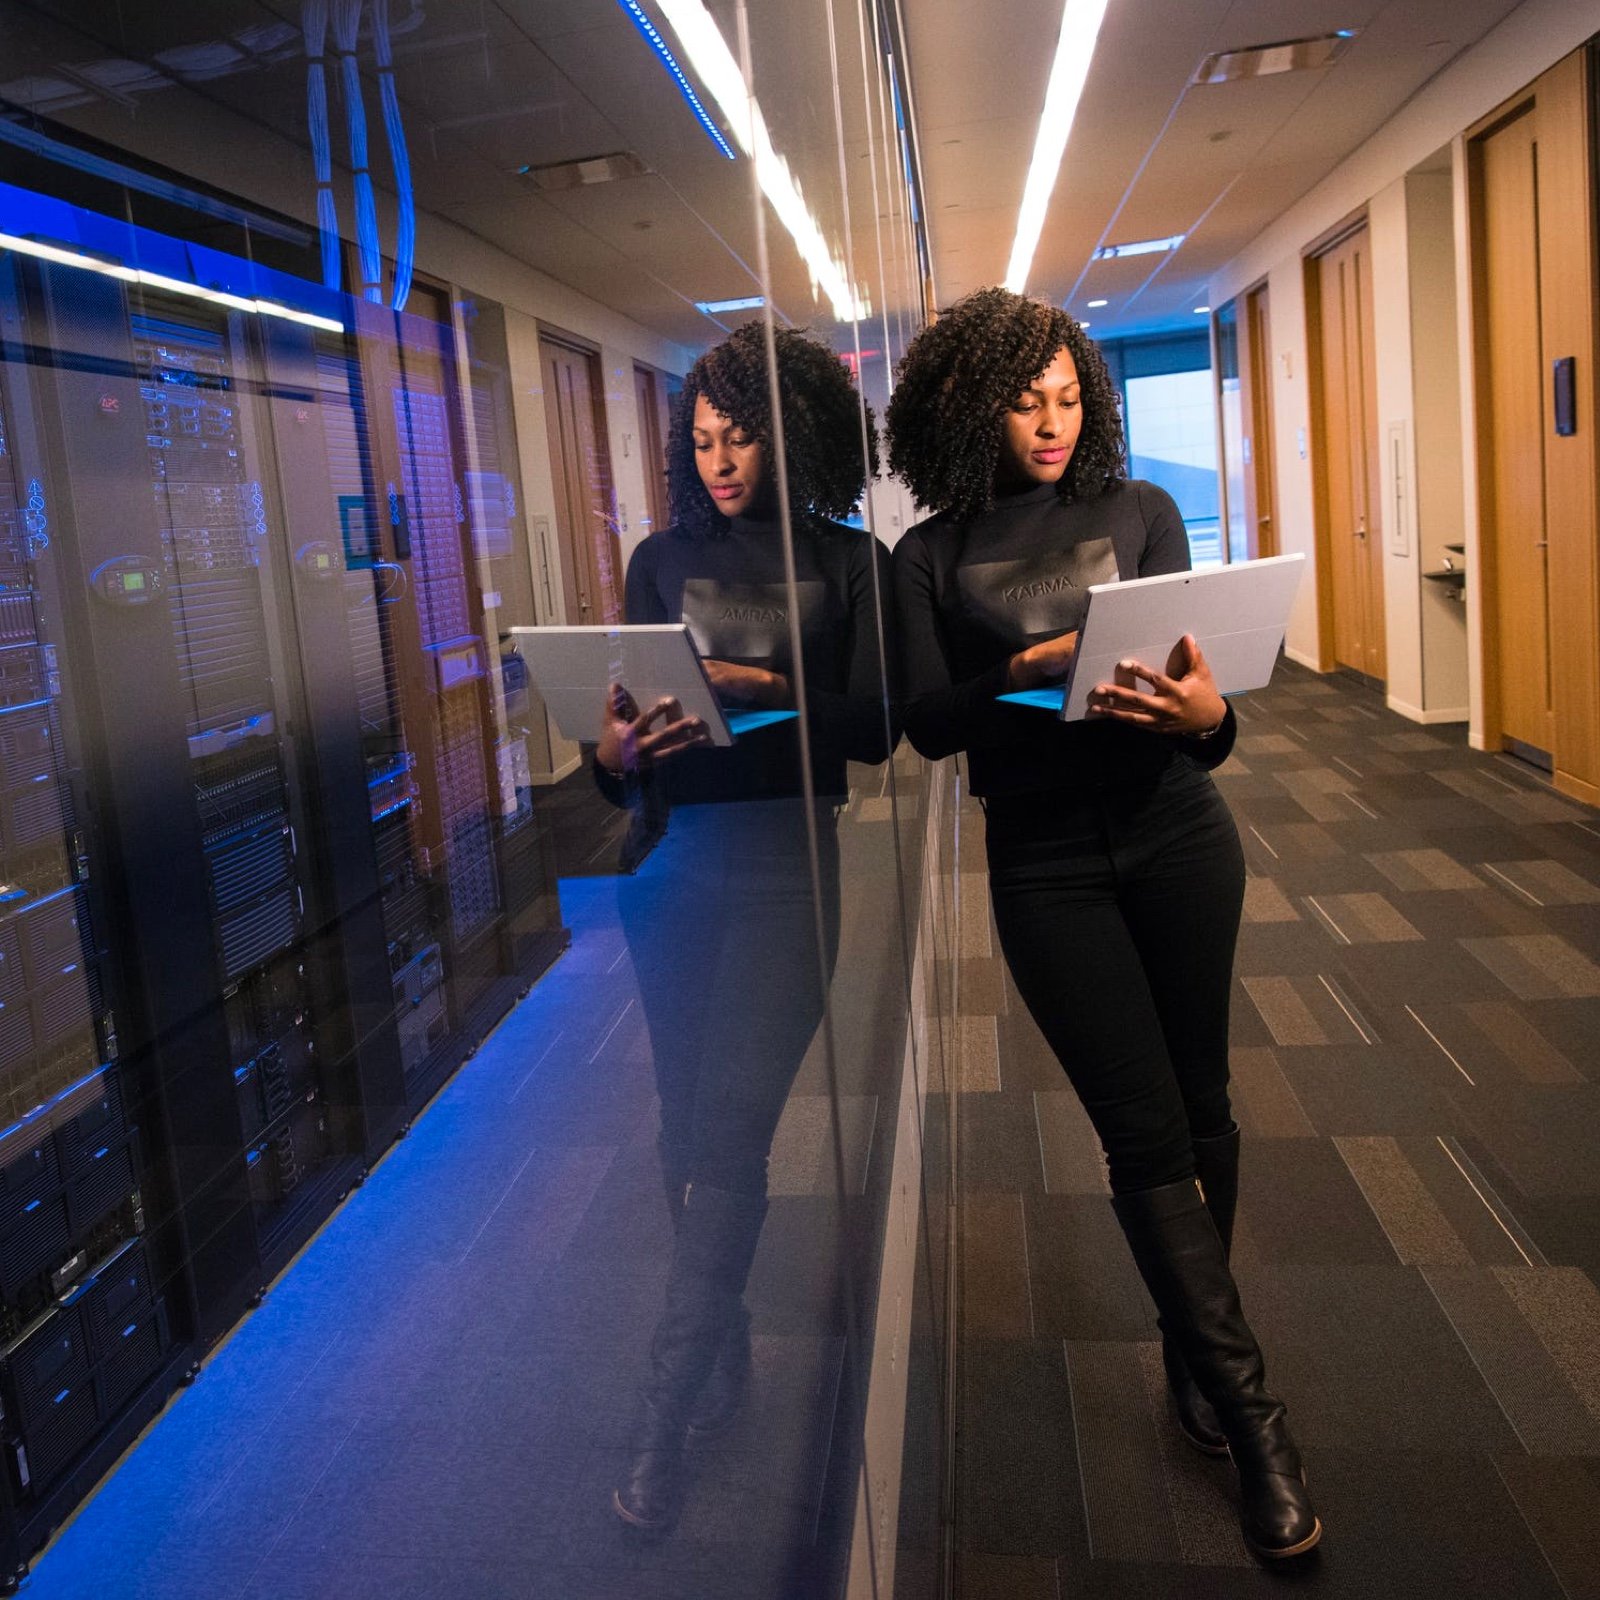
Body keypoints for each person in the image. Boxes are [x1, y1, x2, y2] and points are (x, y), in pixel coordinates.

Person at [885, 287, 1320, 1561]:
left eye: (1071, 397)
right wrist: (1020, 672)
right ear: (971, 407)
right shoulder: (930, 555)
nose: (1053, 422)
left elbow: (1207, 704)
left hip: (1178, 831)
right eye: (1026, 401)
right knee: (1140, 1137)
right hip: (1044, 862)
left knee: (1204, 1104)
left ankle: (1195, 1352)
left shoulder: (1141, 513)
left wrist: (1209, 720)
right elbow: (923, 719)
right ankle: (1256, 1427)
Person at [593, 322, 896, 1533]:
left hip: (787, 877)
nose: (721, 460)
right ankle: (723, 1351)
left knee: (725, 1136)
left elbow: (878, 729)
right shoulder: (657, 558)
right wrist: (614, 752)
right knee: (684, 1135)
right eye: (704, 439)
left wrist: (768, 690)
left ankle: (663, 1418)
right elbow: (617, 755)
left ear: (791, 431)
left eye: (742, 436)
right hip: (672, 869)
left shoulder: (845, 558)